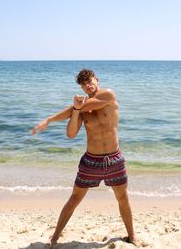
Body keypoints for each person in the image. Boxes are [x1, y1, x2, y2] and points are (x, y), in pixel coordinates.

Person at [32, 69, 138, 248]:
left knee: (122, 198)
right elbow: (71, 134)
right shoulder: (81, 108)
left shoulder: (107, 95)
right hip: (91, 161)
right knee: (74, 198)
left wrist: (71, 110)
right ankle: (55, 238)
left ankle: (132, 236)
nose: (88, 86)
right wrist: (58, 117)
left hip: (114, 159)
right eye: (83, 84)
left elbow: (85, 106)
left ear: (97, 79)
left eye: (90, 81)